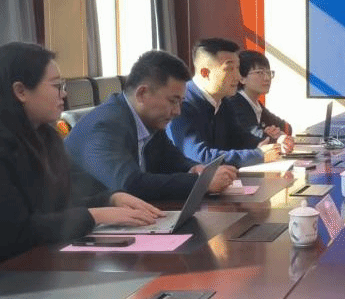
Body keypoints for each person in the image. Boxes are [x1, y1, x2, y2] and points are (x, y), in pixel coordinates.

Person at [0, 43, 160, 294]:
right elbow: (15, 232)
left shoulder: (45, 137)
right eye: (56, 86)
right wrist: (96, 215)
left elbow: (61, 205)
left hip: (27, 274)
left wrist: (110, 199)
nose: (64, 94)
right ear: (21, 91)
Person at [65, 50, 238, 201]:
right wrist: (201, 182)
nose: (177, 111)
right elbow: (130, 185)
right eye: (173, 101)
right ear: (142, 94)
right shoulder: (106, 125)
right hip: (87, 223)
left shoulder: (149, 121)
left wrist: (196, 169)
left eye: (181, 102)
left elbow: (172, 159)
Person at [166, 38, 282, 167]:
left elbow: (239, 138)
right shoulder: (182, 103)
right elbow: (200, 156)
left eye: (237, 68)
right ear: (205, 73)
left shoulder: (223, 101)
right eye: (230, 69)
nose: (238, 76)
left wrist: (271, 143)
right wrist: (258, 155)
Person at [224, 50, 294, 154]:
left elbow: (287, 127)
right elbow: (253, 136)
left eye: (268, 72)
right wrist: (276, 137)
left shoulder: (256, 104)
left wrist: (277, 133)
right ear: (242, 78)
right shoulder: (235, 103)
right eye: (259, 72)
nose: (267, 78)